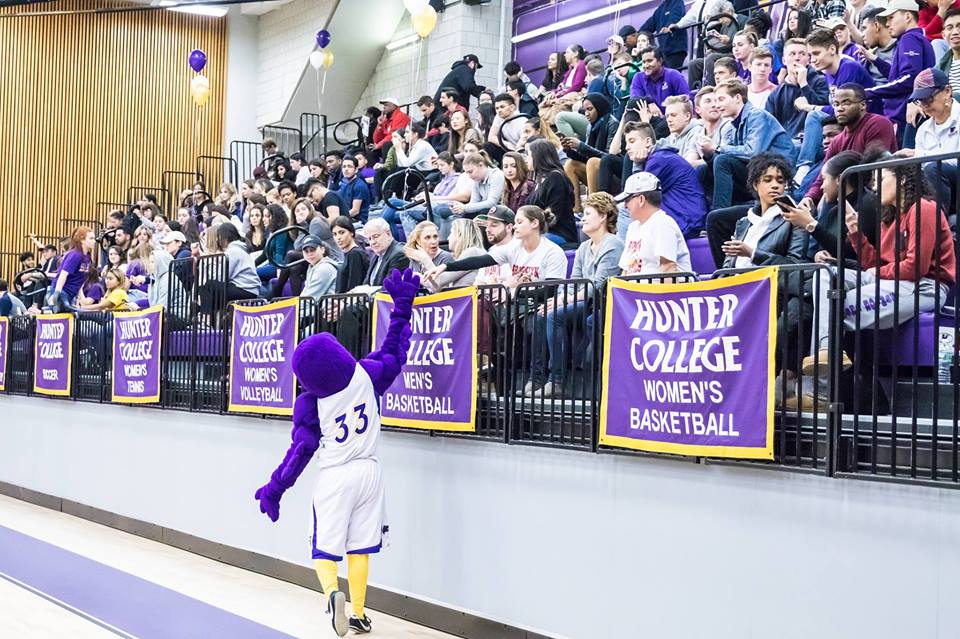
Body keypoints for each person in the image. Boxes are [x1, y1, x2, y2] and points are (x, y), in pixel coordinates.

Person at [254, 268, 420, 637]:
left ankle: (332, 594)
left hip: (336, 475)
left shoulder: (310, 405)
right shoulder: (366, 374)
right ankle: (359, 613)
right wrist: (402, 307)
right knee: (360, 547)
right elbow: (394, 351)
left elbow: (299, 454)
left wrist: (274, 489)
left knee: (324, 549)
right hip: (370, 472)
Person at [800, 155, 957, 406]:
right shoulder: (889, 217)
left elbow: (913, 269)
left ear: (903, 179)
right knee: (825, 275)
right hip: (893, 282)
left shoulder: (923, 209)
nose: (874, 186)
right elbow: (874, 264)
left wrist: (875, 274)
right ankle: (827, 350)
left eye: (880, 179)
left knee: (836, 303)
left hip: (925, 287)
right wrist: (855, 233)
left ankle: (822, 391)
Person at [530, 192, 624, 398]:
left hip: (601, 303)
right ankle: (536, 377)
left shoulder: (613, 244)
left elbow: (597, 286)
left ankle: (557, 380)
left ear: (603, 217)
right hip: (584, 301)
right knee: (541, 312)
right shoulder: (583, 247)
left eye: (588, 213)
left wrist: (563, 301)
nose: (583, 218)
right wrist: (559, 298)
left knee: (555, 315)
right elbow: (573, 280)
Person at [698, 79, 794, 209]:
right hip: (755, 172)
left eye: (721, 99)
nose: (717, 105)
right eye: (715, 101)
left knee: (722, 160)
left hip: (776, 173)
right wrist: (709, 155)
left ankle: (719, 212)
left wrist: (716, 148)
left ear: (737, 98)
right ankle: (705, 213)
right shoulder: (732, 125)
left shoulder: (757, 116)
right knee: (704, 169)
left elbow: (753, 152)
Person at [425, 205, 567, 293]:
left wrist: (512, 292)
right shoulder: (513, 247)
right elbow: (479, 261)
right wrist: (445, 266)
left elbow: (550, 291)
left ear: (535, 223)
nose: (516, 226)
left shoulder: (552, 252)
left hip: (543, 305)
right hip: (516, 301)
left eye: (519, 222)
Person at [720, 153, 808, 269]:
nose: (775, 185)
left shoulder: (795, 220)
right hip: (740, 284)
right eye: (768, 180)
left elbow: (794, 266)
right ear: (756, 185)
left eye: (780, 181)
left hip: (769, 285)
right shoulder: (744, 222)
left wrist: (752, 253)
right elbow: (727, 267)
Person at [621, 122, 707, 239]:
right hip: (682, 217)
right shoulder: (659, 157)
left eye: (632, 141)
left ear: (647, 142)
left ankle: (628, 254)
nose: (627, 147)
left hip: (687, 221)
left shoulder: (660, 159)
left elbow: (636, 192)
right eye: (627, 143)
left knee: (624, 210)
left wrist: (637, 164)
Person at [867, 0, 936, 143]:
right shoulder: (915, 38)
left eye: (891, 17)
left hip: (905, 116)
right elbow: (897, 77)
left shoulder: (909, 38)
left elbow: (909, 79)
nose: (887, 24)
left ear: (907, 16)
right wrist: (876, 60)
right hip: (906, 114)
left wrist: (869, 92)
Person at [901, 68, 960, 206]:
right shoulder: (923, 129)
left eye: (928, 98)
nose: (925, 105)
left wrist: (918, 154)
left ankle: (939, 222)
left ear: (947, 92)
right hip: (937, 189)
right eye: (920, 101)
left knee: (933, 168)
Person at [616, 172, 692, 275]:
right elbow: (626, 270)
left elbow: (668, 268)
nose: (624, 206)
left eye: (627, 200)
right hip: (636, 289)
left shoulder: (663, 223)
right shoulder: (632, 227)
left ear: (641, 199)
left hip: (659, 290)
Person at [560, 93, 619, 212]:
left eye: (590, 109)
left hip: (613, 174)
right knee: (570, 164)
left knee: (593, 162)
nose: (586, 113)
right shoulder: (590, 127)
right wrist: (569, 150)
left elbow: (609, 158)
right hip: (595, 171)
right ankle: (576, 206)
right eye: (584, 110)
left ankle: (592, 207)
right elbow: (585, 157)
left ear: (599, 107)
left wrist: (581, 146)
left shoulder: (612, 123)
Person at [766, 38, 830, 143]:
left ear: (808, 59)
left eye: (802, 54)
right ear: (784, 61)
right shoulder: (776, 93)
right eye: (792, 54)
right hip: (785, 143)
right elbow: (768, 125)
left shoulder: (821, 81)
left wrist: (804, 84)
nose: (797, 58)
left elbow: (822, 112)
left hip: (812, 140)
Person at [525, 139, 579, 246]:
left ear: (538, 157)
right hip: (539, 232)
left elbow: (553, 216)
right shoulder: (539, 179)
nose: (527, 159)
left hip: (559, 234)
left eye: (529, 156)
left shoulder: (556, 177)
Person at [200, 225, 260, 315]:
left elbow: (221, 277)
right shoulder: (239, 249)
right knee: (211, 290)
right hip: (248, 289)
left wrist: (209, 262)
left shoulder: (232, 251)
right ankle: (213, 320)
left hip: (244, 289)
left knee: (208, 286)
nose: (217, 240)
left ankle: (206, 319)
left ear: (223, 237)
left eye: (218, 237)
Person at [424, 218, 487, 292]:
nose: (448, 237)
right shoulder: (473, 252)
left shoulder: (473, 252)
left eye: (451, 233)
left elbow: (438, 281)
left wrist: (424, 261)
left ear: (460, 234)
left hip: (469, 302)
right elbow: (437, 288)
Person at [43, 226, 96, 313]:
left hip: (71, 294)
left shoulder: (87, 256)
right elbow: (63, 275)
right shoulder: (75, 255)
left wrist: (81, 297)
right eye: (91, 238)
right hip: (62, 292)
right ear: (82, 240)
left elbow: (79, 278)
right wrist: (57, 293)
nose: (94, 241)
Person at [450, 152, 505, 221]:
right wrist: (460, 208)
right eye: (467, 173)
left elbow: (492, 202)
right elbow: (473, 203)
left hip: (500, 210)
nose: (469, 176)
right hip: (488, 210)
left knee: (482, 213)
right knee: (466, 216)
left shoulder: (496, 175)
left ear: (481, 165)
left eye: (470, 172)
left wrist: (465, 207)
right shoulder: (476, 181)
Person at [639, 0, 688, 69]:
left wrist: (669, 27)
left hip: (676, 49)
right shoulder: (659, 9)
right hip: (663, 53)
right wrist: (639, 36)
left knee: (670, 76)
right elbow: (646, 28)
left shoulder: (677, 1)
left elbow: (676, 17)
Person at [485, 93, 528, 164]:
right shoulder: (499, 117)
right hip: (509, 148)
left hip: (522, 152)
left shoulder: (522, 121)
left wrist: (515, 149)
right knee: (488, 146)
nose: (499, 110)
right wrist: (505, 144)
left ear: (512, 107)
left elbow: (525, 143)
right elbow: (491, 137)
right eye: (497, 108)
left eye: (502, 107)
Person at [331, 216, 370, 294]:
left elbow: (354, 286)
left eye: (342, 232)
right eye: (335, 234)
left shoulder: (355, 254)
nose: (338, 237)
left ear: (351, 232)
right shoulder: (349, 253)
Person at [662, 94, 705, 159]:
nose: (669, 120)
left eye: (673, 115)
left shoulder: (697, 132)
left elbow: (689, 164)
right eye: (667, 116)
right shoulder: (671, 137)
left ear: (687, 116)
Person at [338, 156, 372, 224]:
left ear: (356, 169)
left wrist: (337, 219)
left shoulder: (359, 185)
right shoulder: (344, 183)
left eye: (349, 166)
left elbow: (355, 211)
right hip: (346, 219)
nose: (346, 169)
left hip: (358, 222)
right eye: (344, 167)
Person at [936, 8, 960, 97]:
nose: (955, 32)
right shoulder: (942, 65)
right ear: (943, 35)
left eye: (959, 26)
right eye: (949, 28)